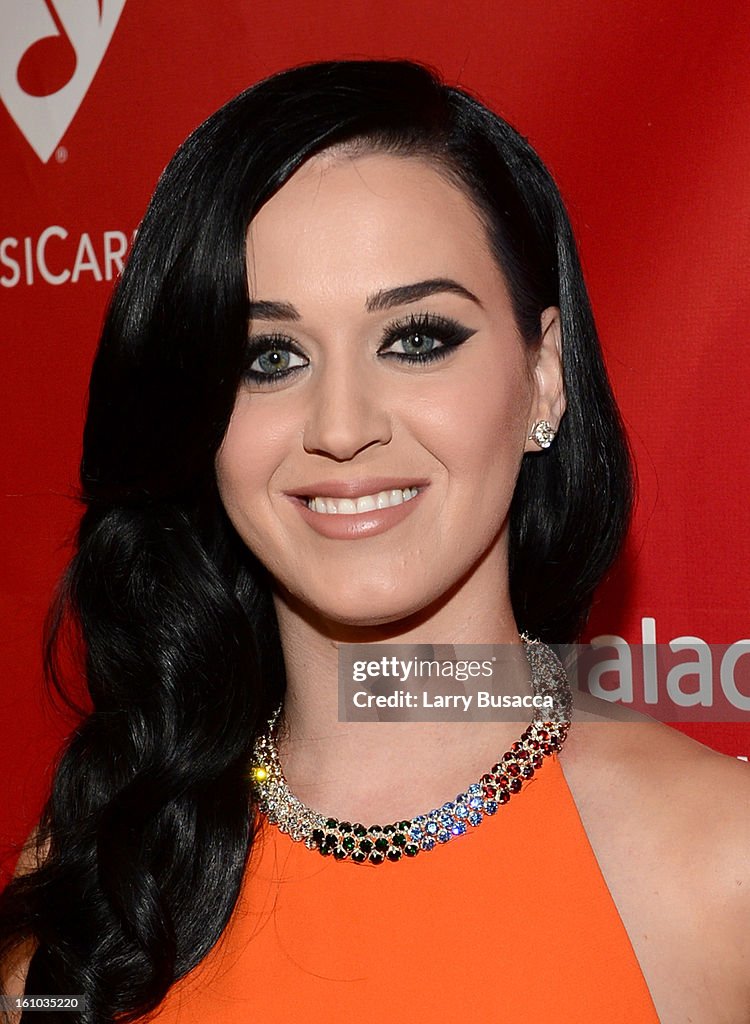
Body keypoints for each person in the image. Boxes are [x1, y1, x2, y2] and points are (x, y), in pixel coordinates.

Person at [1, 59, 748, 1024]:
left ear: (545, 376)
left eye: (417, 338)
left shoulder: (721, 868)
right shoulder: (103, 880)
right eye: (269, 358)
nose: (343, 425)